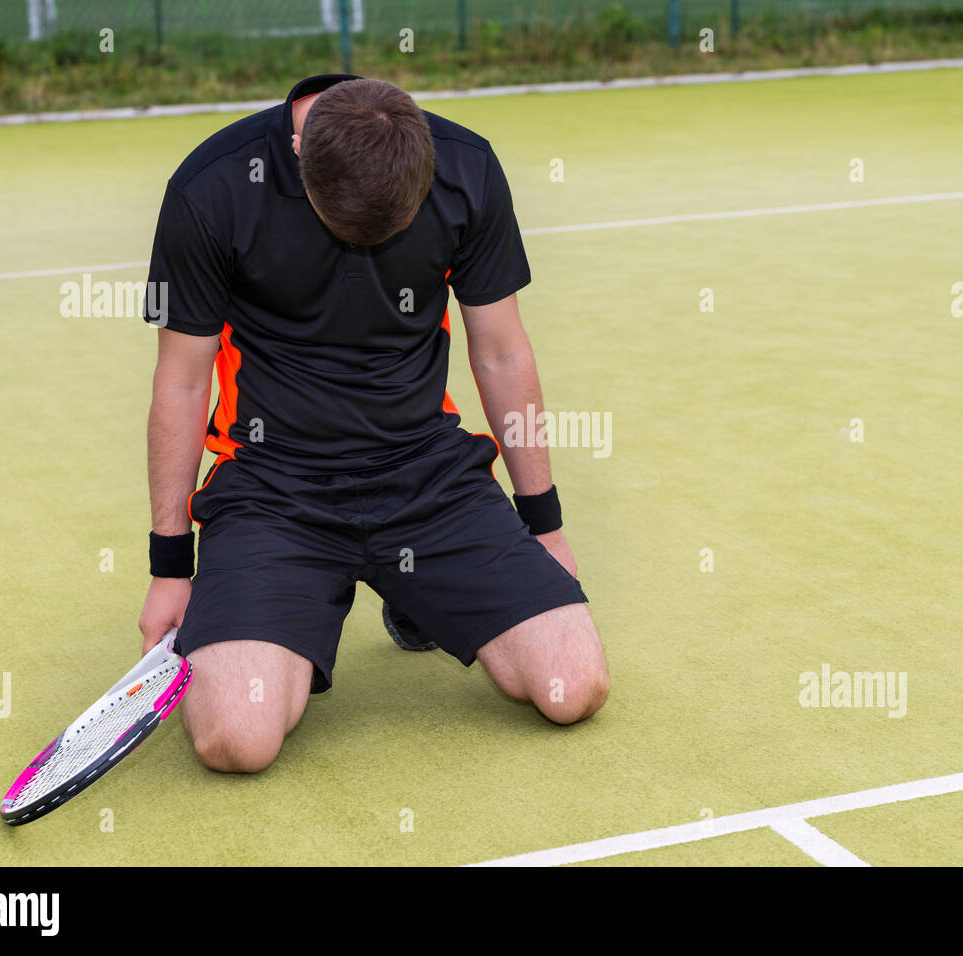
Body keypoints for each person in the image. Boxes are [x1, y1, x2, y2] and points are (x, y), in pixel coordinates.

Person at [137, 74, 609, 773]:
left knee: (575, 686)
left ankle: (413, 590)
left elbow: (502, 351)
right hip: (274, 489)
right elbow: (180, 382)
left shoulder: (467, 164)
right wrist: (170, 567)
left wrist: (546, 524)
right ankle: (293, 613)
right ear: (299, 152)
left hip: (427, 474)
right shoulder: (210, 187)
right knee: (237, 741)